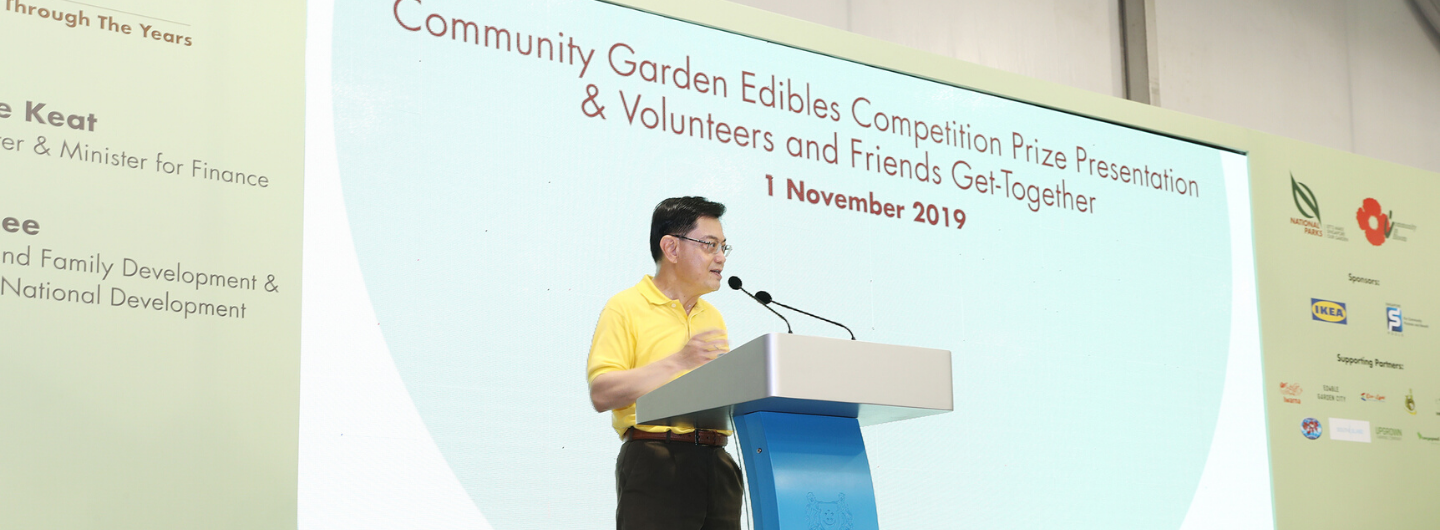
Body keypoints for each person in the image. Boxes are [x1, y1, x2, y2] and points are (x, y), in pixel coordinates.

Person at [587, 196, 742, 530]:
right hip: (657, 460)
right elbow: (602, 393)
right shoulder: (625, 307)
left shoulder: (712, 316)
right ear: (671, 248)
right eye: (709, 245)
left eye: (724, 248)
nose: (720, 258)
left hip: (718, 464)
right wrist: (679, 362)